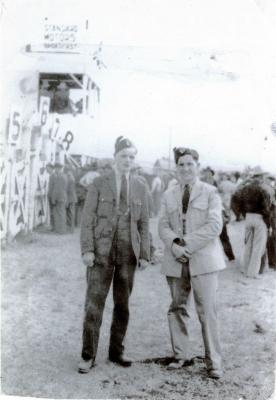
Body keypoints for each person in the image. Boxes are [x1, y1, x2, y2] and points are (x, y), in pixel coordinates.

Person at [78, 136, 150, 373]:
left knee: (123, 305)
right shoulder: (100, 183)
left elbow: (144, 224)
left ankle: (116, 351)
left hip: (128, 254)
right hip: (101, 254)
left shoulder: (140, 185)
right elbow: (87, 219)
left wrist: (145, 254)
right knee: (94, 305)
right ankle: (88, 355)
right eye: (123, 156)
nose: (127, 160)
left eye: (131, 157)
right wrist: (88, 249)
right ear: (115, 157)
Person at [159, 147, 226, 379]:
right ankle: (181, 355)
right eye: (181, 165)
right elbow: (163, 225)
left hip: (203, 260)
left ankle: (214, 362)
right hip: (176, 258)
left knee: (207, 310)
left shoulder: (210, 192)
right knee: (177, 307)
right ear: (176, 168)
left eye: (190, 164)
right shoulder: (168, 194)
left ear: (197, 166)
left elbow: (215, 226)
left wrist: (186, 243)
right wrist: (175, 246)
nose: (185, 169)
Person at [238, 175, 271, 278]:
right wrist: (268, 223)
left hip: (248, 217)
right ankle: (252, 273)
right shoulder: (263, 190)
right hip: (259, 218)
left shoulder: (245, 189)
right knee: (258, 247)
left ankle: (245, 269)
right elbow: (266, 208)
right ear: (260, 179)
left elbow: (239, 204)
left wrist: (244, 215)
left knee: (248, 245)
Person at [50, 163, 68, 234]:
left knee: (59, 213)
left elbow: (56, 189)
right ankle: (62, 229)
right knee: (62, 213)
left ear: (59, 169)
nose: (55, 170)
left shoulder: (59, 177)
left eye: (56, 169)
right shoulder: (65, 176)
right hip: (63, 196)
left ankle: (60, 230)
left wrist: (53, 198)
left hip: (59, 197)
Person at [64, 166, 77, 233]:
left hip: (71, 198)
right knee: (70, 213)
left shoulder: (70, 179)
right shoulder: (70, 177)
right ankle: (70, 228)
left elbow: (70, 191)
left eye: (67, 171)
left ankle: (71, 228)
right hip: (71, 198)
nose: (66, 172)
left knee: (71, 213)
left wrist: (67, 200)